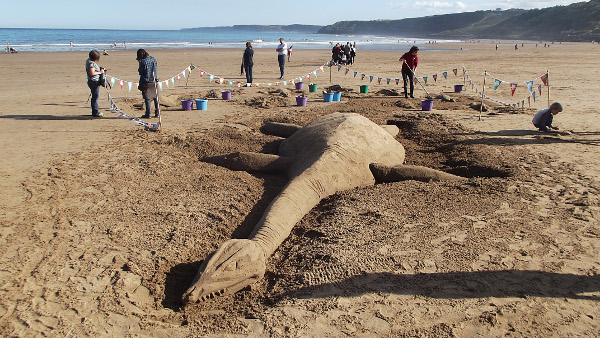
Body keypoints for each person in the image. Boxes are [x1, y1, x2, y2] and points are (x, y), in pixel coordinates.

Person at [136, 49, 160, 118]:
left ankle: (148, 113)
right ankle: (157, 113)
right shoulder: (153, 59)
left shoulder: (143, 62)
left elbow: (140, 72)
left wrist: (139, 62)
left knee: (147, 99)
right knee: (156, 98)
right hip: (154, 80)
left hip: (146, 81)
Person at [85, 49, 106, 117]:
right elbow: (92, 73)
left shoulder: (88, 61)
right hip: (94, 82)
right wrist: (101, 72)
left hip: (92, 81)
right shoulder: (91, 63)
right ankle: (95, 112)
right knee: (95, 97)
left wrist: (100, 69)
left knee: (95, 96)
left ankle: (95, 111)